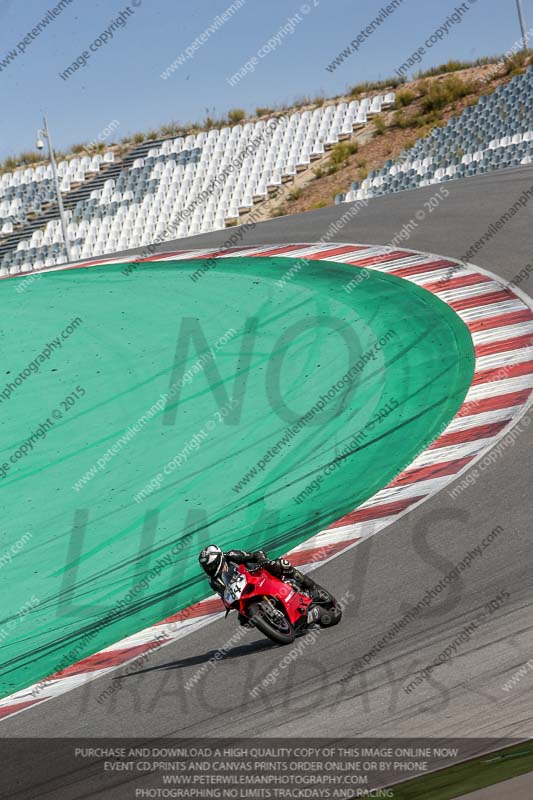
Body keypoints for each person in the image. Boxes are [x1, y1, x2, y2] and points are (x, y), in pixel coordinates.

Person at [198, 544, 329, 603]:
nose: (210, 570)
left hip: (258, 574)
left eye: (212, 566)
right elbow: (225, 597)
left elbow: (255, 554)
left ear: (220, 559)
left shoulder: (232, 556)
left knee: (280, 563)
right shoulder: (214, 581)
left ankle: (310, 586)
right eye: (207, 568)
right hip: (246, 593)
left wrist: (262, 560)